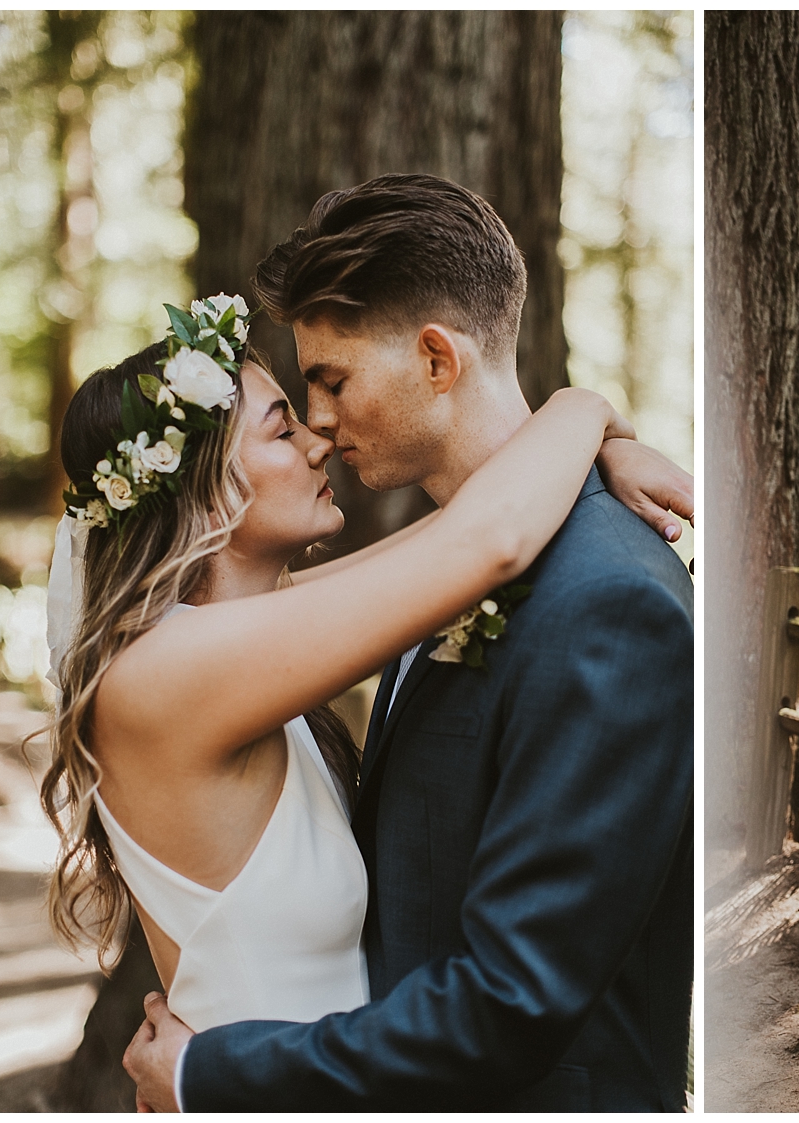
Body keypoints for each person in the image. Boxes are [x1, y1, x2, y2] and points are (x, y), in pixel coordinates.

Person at [62, 178, 692, 1110]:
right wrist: (588, 410)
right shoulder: (201, 660)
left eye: (330, 381)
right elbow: (482, 541)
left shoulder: (599, 599)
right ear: (204, 488)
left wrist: (589, 431)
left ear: (438, 359)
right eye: (291, 411)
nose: (318, 426)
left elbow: (517, 996)